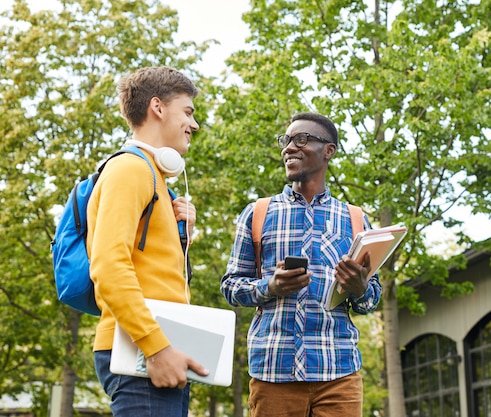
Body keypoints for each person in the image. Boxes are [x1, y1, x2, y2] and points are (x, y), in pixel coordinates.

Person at [221, 112, 381, 416]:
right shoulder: (257, 214)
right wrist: (270, 286)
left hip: (339, 372)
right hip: (273, 373)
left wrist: (360, 289)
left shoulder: (355, 220)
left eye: (302, 139)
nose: (289, 147)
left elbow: (371, 297)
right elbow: (230, 286)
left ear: (328, 150)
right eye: (287, 140)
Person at [87, 66, 208, 417]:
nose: (193, 124)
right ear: (158, 107)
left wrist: (183, 233)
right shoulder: (130, 170)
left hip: (153, 345)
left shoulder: (154, 177)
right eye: (188, 112)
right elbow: (109, 269)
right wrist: (156, 349)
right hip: (140, 350)